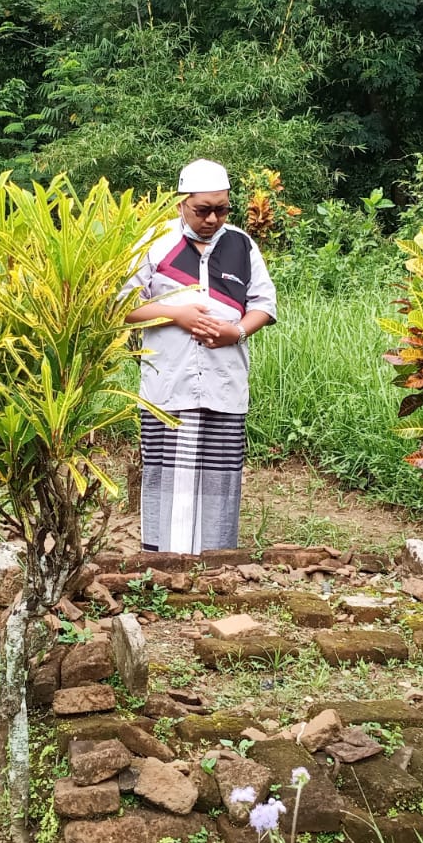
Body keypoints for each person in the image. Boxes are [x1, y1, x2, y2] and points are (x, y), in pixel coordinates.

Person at [124, 158, 276, 554]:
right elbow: (122, 307)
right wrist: (177, 314)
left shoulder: (242, 244)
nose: (212, 218)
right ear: (181, 204)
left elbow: (264, 304)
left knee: (219, 480)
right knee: (166, 477)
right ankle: (163, 562)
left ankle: (215, 563)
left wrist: (236, 331)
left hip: (223, 382)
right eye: (202, 210)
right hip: (168, 384)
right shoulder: (155, 244)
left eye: (221, 209)